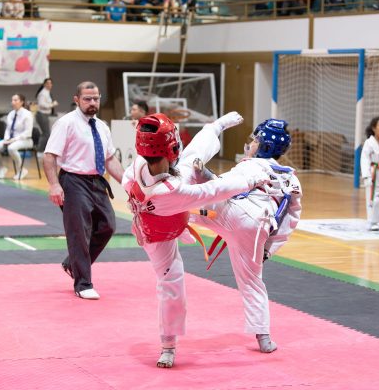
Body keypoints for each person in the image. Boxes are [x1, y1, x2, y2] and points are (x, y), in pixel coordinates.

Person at [122, 111, 272, 368]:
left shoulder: (138, 163)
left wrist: (217, 126)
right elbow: (212, 190)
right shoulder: (169, 191)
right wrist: (249, 181)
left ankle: (215, 126)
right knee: (171, 280)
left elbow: (190, 158)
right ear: (170, 147)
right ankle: (168, 345)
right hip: (156, 234)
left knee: (191, 161)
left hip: (165, 212)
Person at [190, 118, 302, 356]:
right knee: (252, 281)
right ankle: (264, 338)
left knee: (183, 206)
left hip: (236, 213)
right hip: (259, 228)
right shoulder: (292, 178)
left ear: (261, 144)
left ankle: (166, 217)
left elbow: (227, 186)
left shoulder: (252, 165)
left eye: (253, 140)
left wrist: (204, 174)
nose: (249, 143)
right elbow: (290, 219)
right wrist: (268, 249)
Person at [43, 81, 124, 300]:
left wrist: (128, 182)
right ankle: (83, 283)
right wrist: (54, 185)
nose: (92, 102)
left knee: (107, 226)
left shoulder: (102, 126)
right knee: (79, 232)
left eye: (96, 98)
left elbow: (110, 159)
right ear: (76, 99)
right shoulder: (66, 123)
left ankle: (72, 264)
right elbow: (49, 156)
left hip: (97, 182)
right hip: (73, 181)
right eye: (87, 99)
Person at [0, 93, 33, 180]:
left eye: (15, 100)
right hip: (10, 140)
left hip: (25, 140)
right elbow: (8, 129)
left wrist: (14, 139)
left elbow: (28, 132)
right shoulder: (11, 114)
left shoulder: (27, 114)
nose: (13, 102)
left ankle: (21, 170)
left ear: (22, 102)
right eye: (12, 100)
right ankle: (1, 168)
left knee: (11, 148)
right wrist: (6, 139)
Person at [35, 78, 58, 155]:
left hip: (45, 115)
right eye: (47, 83)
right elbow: (42, 105)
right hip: (42, 114)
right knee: (46, 134)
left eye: (51, 83)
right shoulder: (43, 93)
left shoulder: (47, 92)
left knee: (46, 133)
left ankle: (41, 150)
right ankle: (40, 151)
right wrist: (52, 104)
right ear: (44, 84)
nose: (49, 85)